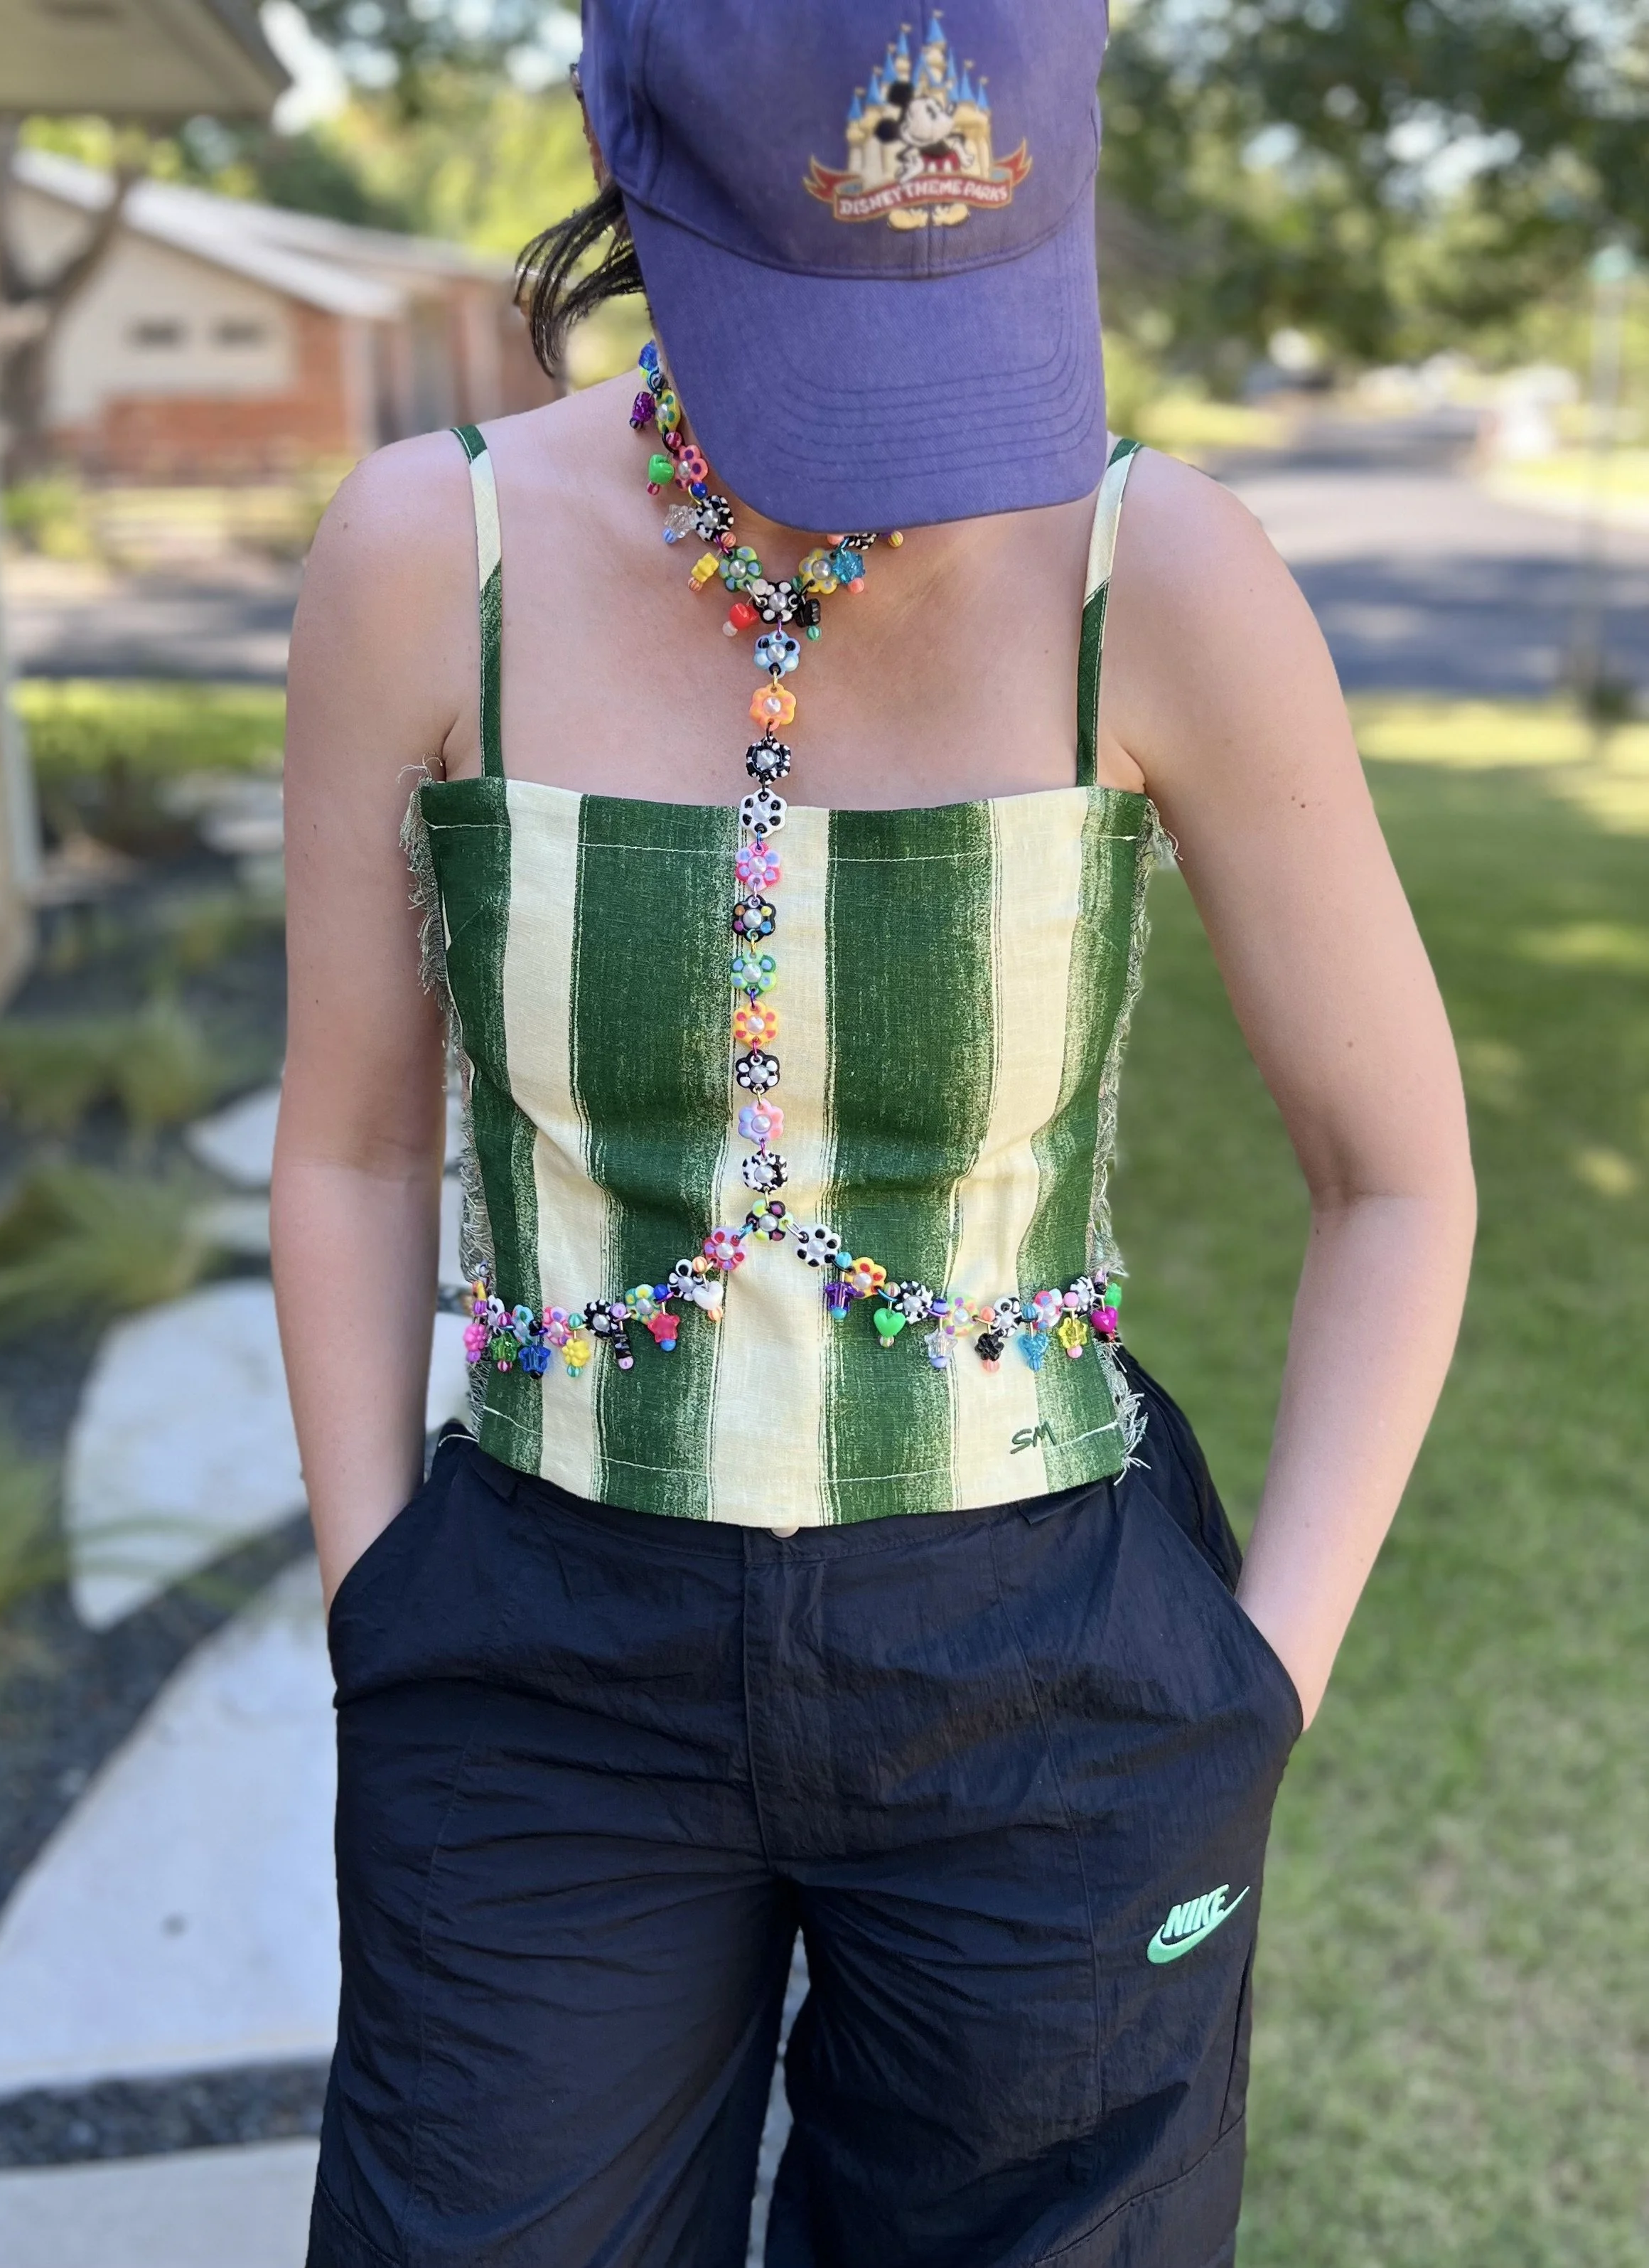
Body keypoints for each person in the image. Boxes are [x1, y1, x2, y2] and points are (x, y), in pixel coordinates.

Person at [273, 3, 1475, 2262]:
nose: (892, 454)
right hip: (535, 1659)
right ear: (624, 151)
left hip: (1045, 1670)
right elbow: (346, 1141)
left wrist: (1249, 1693)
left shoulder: (1160, 571)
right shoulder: (434, 554)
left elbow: (1396, 1169)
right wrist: (383, 1610)